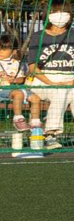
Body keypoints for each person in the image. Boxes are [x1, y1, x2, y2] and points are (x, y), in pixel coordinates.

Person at [27, 4, 74, 154]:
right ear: (48, 15)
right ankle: (50, 134)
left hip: (70, 76)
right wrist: (51, 82)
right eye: (55, 12)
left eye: (64, 12)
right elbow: (32, 68)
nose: (60, 15)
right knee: (60, 92)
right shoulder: (38, 37)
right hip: (43, 78)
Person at [0, 28, 33, 159]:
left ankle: (34, 126)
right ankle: (18, 119)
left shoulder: (17, 64)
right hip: (2, 90)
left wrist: (13, 79)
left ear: (13, 51)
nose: (1, 52)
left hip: (12, 89)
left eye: (4, 50)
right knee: (18, 94)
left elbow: (22, 79)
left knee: (33, 97)